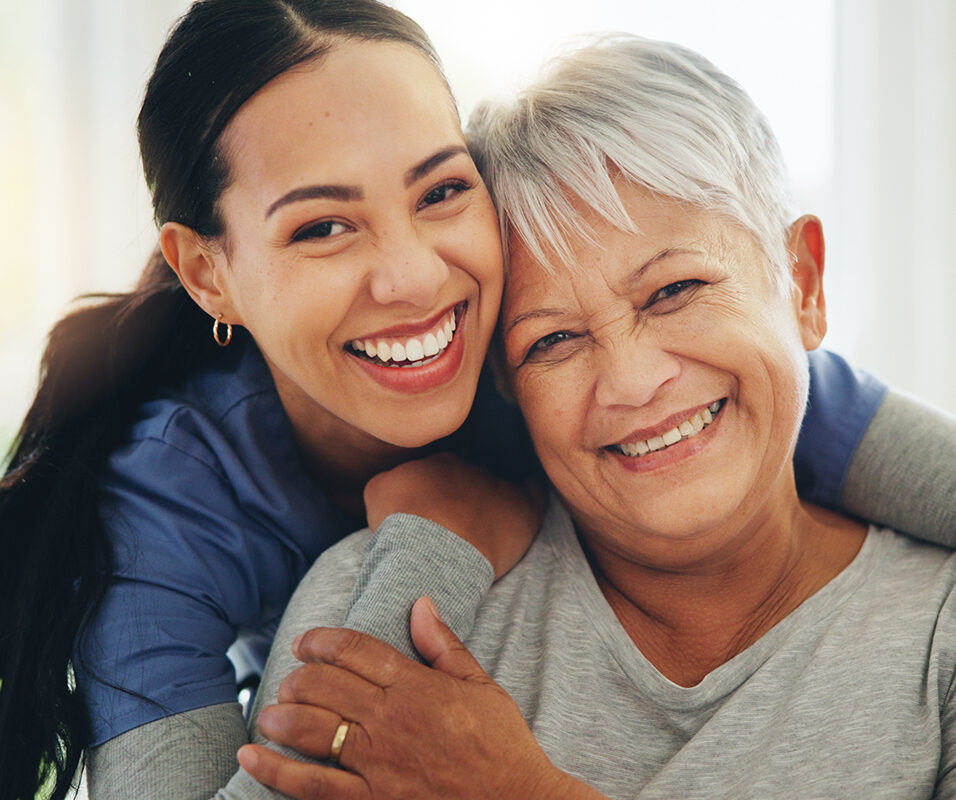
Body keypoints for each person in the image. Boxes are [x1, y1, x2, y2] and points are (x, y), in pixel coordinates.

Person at [0, 3, 948, 798]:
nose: (414, 278)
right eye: (323, 226)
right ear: (207, 273)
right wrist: (429, 553)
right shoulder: (165, 515)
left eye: (441, 190)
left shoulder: (588, 351)